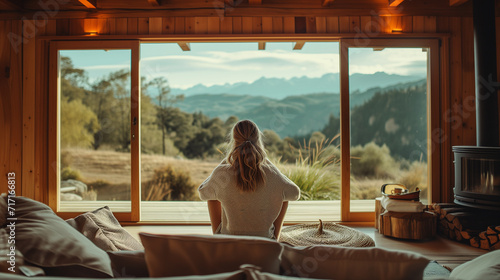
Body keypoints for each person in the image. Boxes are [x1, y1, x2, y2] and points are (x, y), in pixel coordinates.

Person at [198, 120, 300, 240]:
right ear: (258, 141)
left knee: (213, 196)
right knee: (283, 195)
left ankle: (219, 238)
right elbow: (295, 193)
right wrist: (266, 162)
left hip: (229, 244)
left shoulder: (222, 173)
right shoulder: (271, 174)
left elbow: (203, 192)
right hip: (264, 245)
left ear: (234, 142)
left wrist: (226, 161)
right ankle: (273, 240)